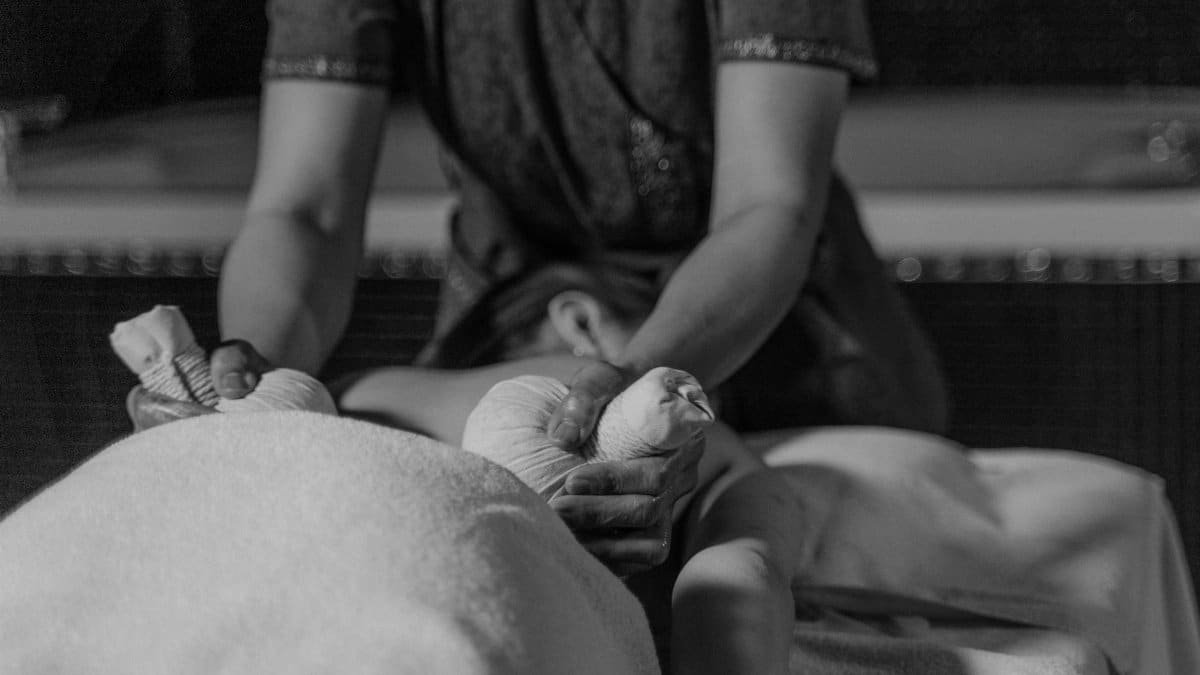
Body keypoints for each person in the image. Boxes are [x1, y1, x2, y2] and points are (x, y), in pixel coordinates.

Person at [132, 0, 949, 576]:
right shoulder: (401, 403)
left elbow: (770, 205)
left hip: (761, 340)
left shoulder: (711, 448)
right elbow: (305, 207)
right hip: (512, 320)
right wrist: (246, 381)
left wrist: (641, 393)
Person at [332, 263, 807, 674]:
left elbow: (305, 409)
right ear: (582, 322)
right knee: (740, 558)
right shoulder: (595, 380)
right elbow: (746, 573)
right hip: (649, 504)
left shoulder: (411, 389)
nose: (714, 389)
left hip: (404, 515)